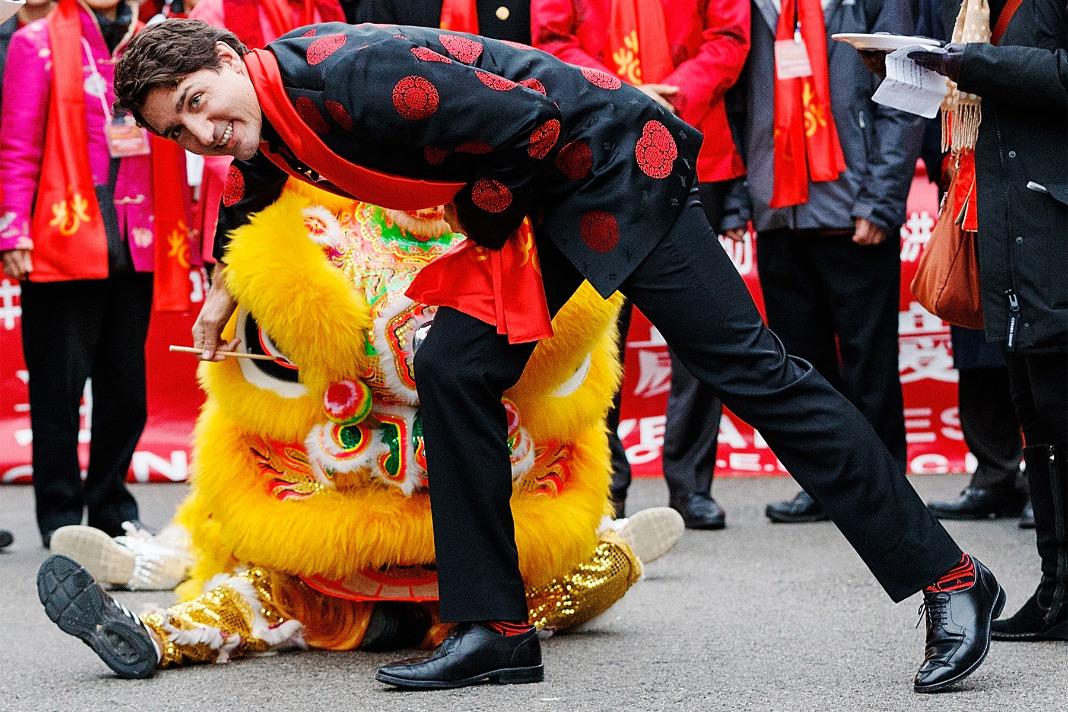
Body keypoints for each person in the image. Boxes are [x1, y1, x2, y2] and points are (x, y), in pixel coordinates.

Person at [93, 19, 1003, 693]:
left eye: (199, 108)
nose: (201, 136)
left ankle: (953, 580)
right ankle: (494, 625)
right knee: (454, 366)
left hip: (617, 173)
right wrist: (221, 288)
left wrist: (478, 239)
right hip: (542, 201)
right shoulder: (274, 108)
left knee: (754, 375)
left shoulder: (359, 75)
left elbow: (530, 119)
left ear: (222, 63)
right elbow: (256, 183)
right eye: (178, 132)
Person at [532, 0, 748, 529]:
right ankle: (607, 481)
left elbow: (730, 36)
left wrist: (672, 95)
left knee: (701, 324)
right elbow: (551, 37)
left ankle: (691, 483)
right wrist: (627, 98)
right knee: (598, 328)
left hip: (693, 138)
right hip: (598, 144)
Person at [0, 0, 192, 548]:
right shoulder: (34, 44)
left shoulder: (154, 42)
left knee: (126, 390)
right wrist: (13, 231)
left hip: (138, 239)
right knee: (58, 393)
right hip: (63, 241)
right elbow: (15, 145)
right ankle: (60, 517)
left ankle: (112, 508)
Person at [721, 0, 919, 525]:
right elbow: (735, 103)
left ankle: (884, 494)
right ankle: (824, 487)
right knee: (801, 367)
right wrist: (742, 199)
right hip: (778, 210)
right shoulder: (750, 6)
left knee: (869, 361)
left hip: (853, 209)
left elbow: (905, 94)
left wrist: (881, 201)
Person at [909, 0, 1067, 642]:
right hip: (1005, 219)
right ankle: (1056, 588)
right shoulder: (971, 4)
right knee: (1033, 411)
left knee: (1058, 410)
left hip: (1051, 219)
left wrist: (980, 65)